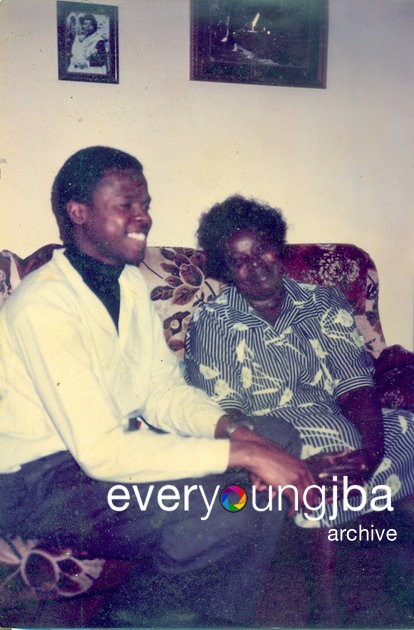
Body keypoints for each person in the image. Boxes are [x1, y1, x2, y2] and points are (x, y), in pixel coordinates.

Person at [0, 148, 320, 627]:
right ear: (79, 212)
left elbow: (161, 390)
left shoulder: (127, 283)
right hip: (40, 482)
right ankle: (134, 620)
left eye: (145, 204)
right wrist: (245, 456)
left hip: (96, 462)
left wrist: (237, 433)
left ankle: (208, 616)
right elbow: (103, 454)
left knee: (277, 436)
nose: (144, 216)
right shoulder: (44, 305)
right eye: (126, 205)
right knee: (230, 505)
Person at [185, 194, 414, 527]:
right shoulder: (213, 320)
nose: (255, 265)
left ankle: (336, 504)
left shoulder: (323, 302)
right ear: (228, 271)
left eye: (261, 249)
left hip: (344, 429)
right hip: (272, 442)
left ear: (278, 248)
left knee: (407, 430)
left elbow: (356, 388)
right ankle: (334, 511)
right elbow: (226, 415)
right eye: (239, 260)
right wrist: (293, 467)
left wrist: (368, 456)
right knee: (313, 486)